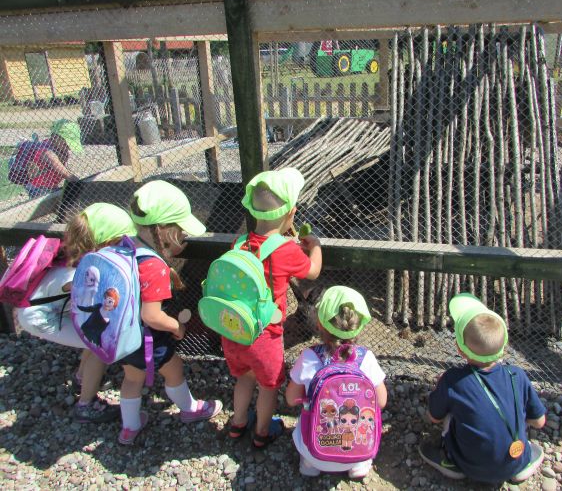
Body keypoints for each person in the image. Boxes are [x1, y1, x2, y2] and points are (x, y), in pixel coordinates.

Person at [223, 168, 322, 449]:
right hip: (265, 336)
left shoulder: (238, 243)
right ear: (292, 213)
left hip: (234, 330)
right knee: (268, 387)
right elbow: (313, 271)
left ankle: (237, 424)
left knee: (244, 379)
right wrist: (315, 246)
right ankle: (262, 432)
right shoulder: (286, 251)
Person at [119, 180, 222, 445]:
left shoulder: (124, 245)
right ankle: (191, 409)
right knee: (174, 370)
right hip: (148, 338)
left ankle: (129, 427)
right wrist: (176, 327)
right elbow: (152, 315)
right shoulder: (154, 266)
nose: (184, 236)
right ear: (165, 230)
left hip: (123, 335)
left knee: (131, 379)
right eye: (181, 231)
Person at [17, 202, 138, 423]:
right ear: (107, 242)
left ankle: (82, 377)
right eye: (118, 243)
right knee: (99, 344)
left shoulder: (73, 254)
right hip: (42, 317)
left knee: (91, 332)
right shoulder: (79, 273)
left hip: (44, 308)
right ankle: (86, 405)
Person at [419, 293, 546, 484]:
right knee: (529, 440)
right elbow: (539, 422)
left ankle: (451, 461)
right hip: (514, 460)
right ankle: (519, 467)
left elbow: (434, 417)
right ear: (504, 348)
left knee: (451, 414)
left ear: (460, 349)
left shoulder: (453, 380)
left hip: (468, 465)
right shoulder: (517, 376)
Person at [285, 286, 388, 479]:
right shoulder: (366, 358)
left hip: (315, 448)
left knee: (303, 421)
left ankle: (310, 465)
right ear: (359, 325)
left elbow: (291, 399)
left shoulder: (309, 357)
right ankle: (358, 466)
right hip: (358, 447)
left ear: (320, 324)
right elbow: (381, 402)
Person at [25, 119, 81, 198]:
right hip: (38, 188)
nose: (68, 147)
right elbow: (58, 167)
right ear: (55, 137)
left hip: (51, 185)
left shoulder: (60, 149)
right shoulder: (46, 150)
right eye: (66, 143)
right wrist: (72, 178)